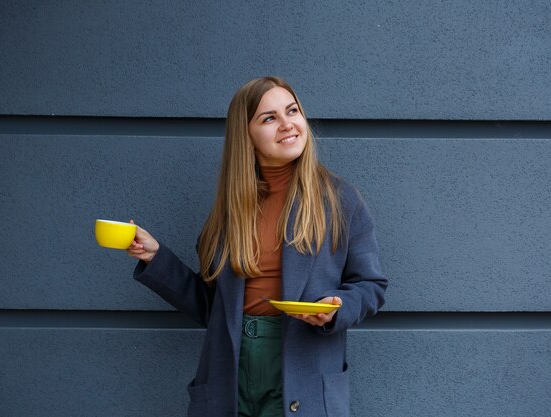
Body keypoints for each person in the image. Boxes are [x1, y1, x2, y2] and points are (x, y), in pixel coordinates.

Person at [127, 76, 387, 417]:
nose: (287, 124)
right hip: (230, 370)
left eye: (292, 111)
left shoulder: (339, 200)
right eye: (269, 118)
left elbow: (372, 286)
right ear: (246, 136)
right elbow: (213, 308)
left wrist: (338, 307)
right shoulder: (230, 211)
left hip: (302, 365)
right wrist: (155, 256)